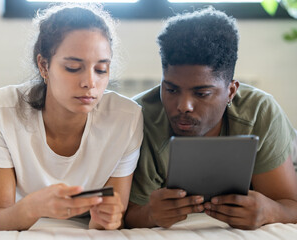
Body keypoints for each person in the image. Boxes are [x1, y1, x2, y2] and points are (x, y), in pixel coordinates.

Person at [0, 4, 143, 231]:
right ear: (44, 66)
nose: (89, 83)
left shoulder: (126, 119)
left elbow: (112, 216)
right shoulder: (0, 108)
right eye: (72, 67)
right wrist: (34, 207)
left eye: (101, 69)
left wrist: (106, 220)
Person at [124, 7, 297, 230]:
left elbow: (290, 205)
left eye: (201, 93)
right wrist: (149, 215)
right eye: (171, 89)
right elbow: (125, 214)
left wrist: (270, 211)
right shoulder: (139, 118)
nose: (183, 106)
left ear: (231, 91)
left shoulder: (259, 112)